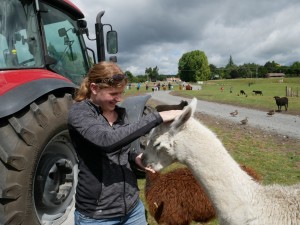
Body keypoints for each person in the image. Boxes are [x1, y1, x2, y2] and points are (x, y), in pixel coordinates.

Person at [67, 61, 183, 225]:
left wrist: (134, 157)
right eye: (113, 93)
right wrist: (157, 117)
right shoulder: (80, 113)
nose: (119, 99)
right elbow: (106, 142)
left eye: (121, 93)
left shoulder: (119, 114)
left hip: (132, 209)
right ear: (94, 88)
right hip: (97, 216)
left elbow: (119, 151)